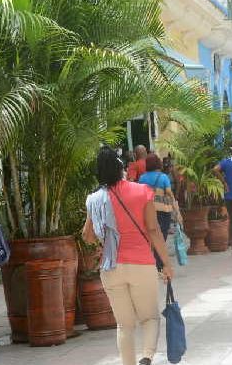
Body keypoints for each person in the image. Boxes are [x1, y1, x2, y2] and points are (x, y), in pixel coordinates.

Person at [83, 146, 173, 365]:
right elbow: (153, 230)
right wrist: (167, 264)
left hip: (111, 267)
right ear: (120, 166)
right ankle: (146, 356)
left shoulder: (94, 199)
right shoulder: (141, 191)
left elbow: (88, 236)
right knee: (150, 317)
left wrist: (106, 237)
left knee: (124, 325)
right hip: (141, 263)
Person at [137, 153, 182, 270]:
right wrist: (177, 210)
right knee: (162, 236)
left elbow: (139, 196)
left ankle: (153, 262)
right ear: (158, 163)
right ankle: (158, 263)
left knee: (151, 236)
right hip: (163, 211)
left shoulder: (142, 178)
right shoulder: (163, 177)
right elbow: (169, 194)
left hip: (148, 211)